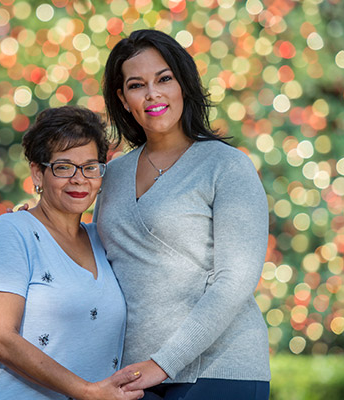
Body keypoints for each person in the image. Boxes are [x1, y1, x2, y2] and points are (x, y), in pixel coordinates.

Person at [95, 29, 271, 399]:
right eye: (137, 85)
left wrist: (163, 363)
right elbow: (95, 254)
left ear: (184, 85)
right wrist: (36, 224)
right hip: (134, 374)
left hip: (219, 369)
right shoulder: (112, 174)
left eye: (164, 79)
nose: (152, 94)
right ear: (123, 99)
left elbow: (235, 280)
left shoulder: (227, 166)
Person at [0, 106, 144, 400]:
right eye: (63, 166)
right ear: (38, 172)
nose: (79, 179)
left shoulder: (101, 240)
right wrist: (87, 392)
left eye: (90, 166)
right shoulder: (12, 231)